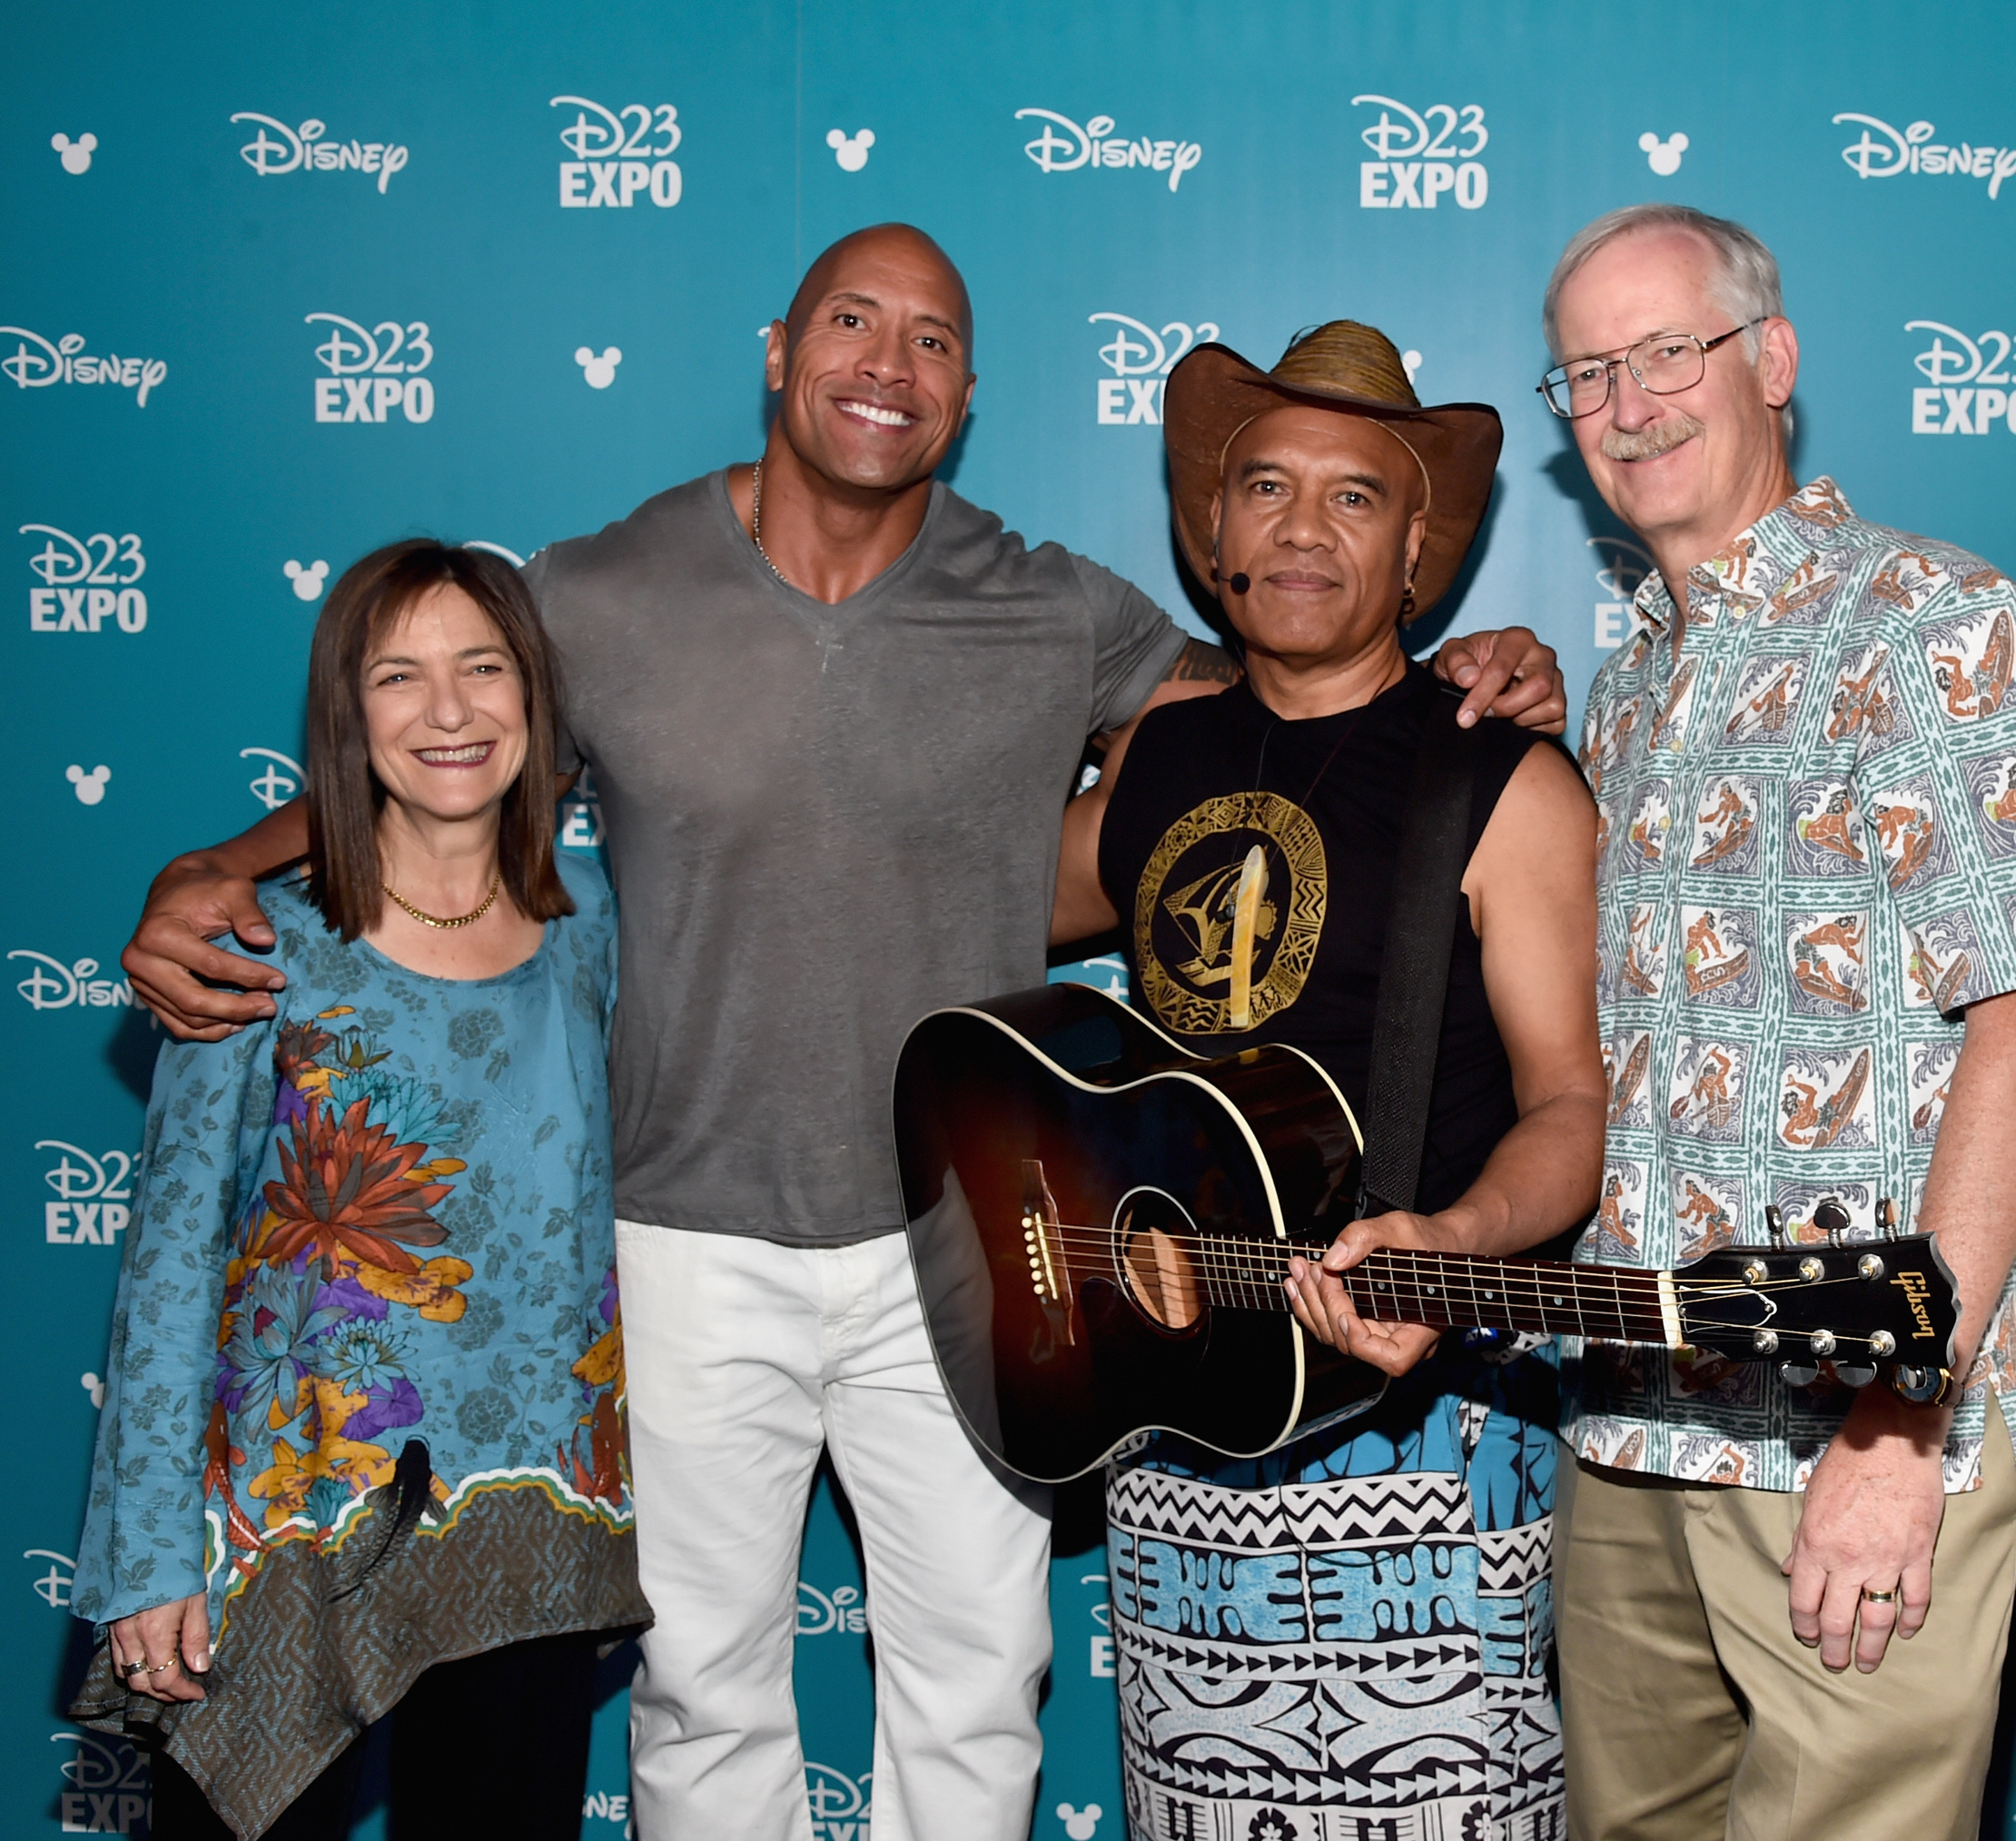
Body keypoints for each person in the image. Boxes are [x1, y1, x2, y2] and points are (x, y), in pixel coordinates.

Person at [114, 224, 1566, 1841]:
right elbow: (435, 753)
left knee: (976, 1679)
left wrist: (1478, 672)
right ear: (776, 350)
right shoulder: (597, 591)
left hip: (977, 1237)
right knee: (698, 1689)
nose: (890, 363)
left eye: (933, 340)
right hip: (673, 1237)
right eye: (853, 323)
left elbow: (1297, 686)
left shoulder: (1050, 608)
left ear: (965, 396)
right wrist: (218, 867)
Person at [1542, 203, 2016, 1841]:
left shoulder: (1934, 626)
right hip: (1637, 1420)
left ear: (1773, 360)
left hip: (1853, 1441)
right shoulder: (1632, 688)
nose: (1632, 401)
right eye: (1588, 372)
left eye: (1669, 350)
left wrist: (1902, 1418)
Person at [1049, 321, 1604, 1841]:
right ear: (1211, 532)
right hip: (1177, 1421)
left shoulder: (1505, 777)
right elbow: (949, 894)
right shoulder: (1157, 758)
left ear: (1419, 547)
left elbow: (1569, 1113)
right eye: (1268, 489)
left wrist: (1461, 1243)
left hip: (1419, 1433)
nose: (1303, 528)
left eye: (1355, 498)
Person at [70, 541, 643, 1839]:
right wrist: (148, 1557)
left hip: (528, 1522)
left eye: (483, 668)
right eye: (401, 677)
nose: (449, 713)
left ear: (537, 702)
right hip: (285, 1529)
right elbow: (166, 1266)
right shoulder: (261, 943)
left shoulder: (598, 925)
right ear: (349, 715)